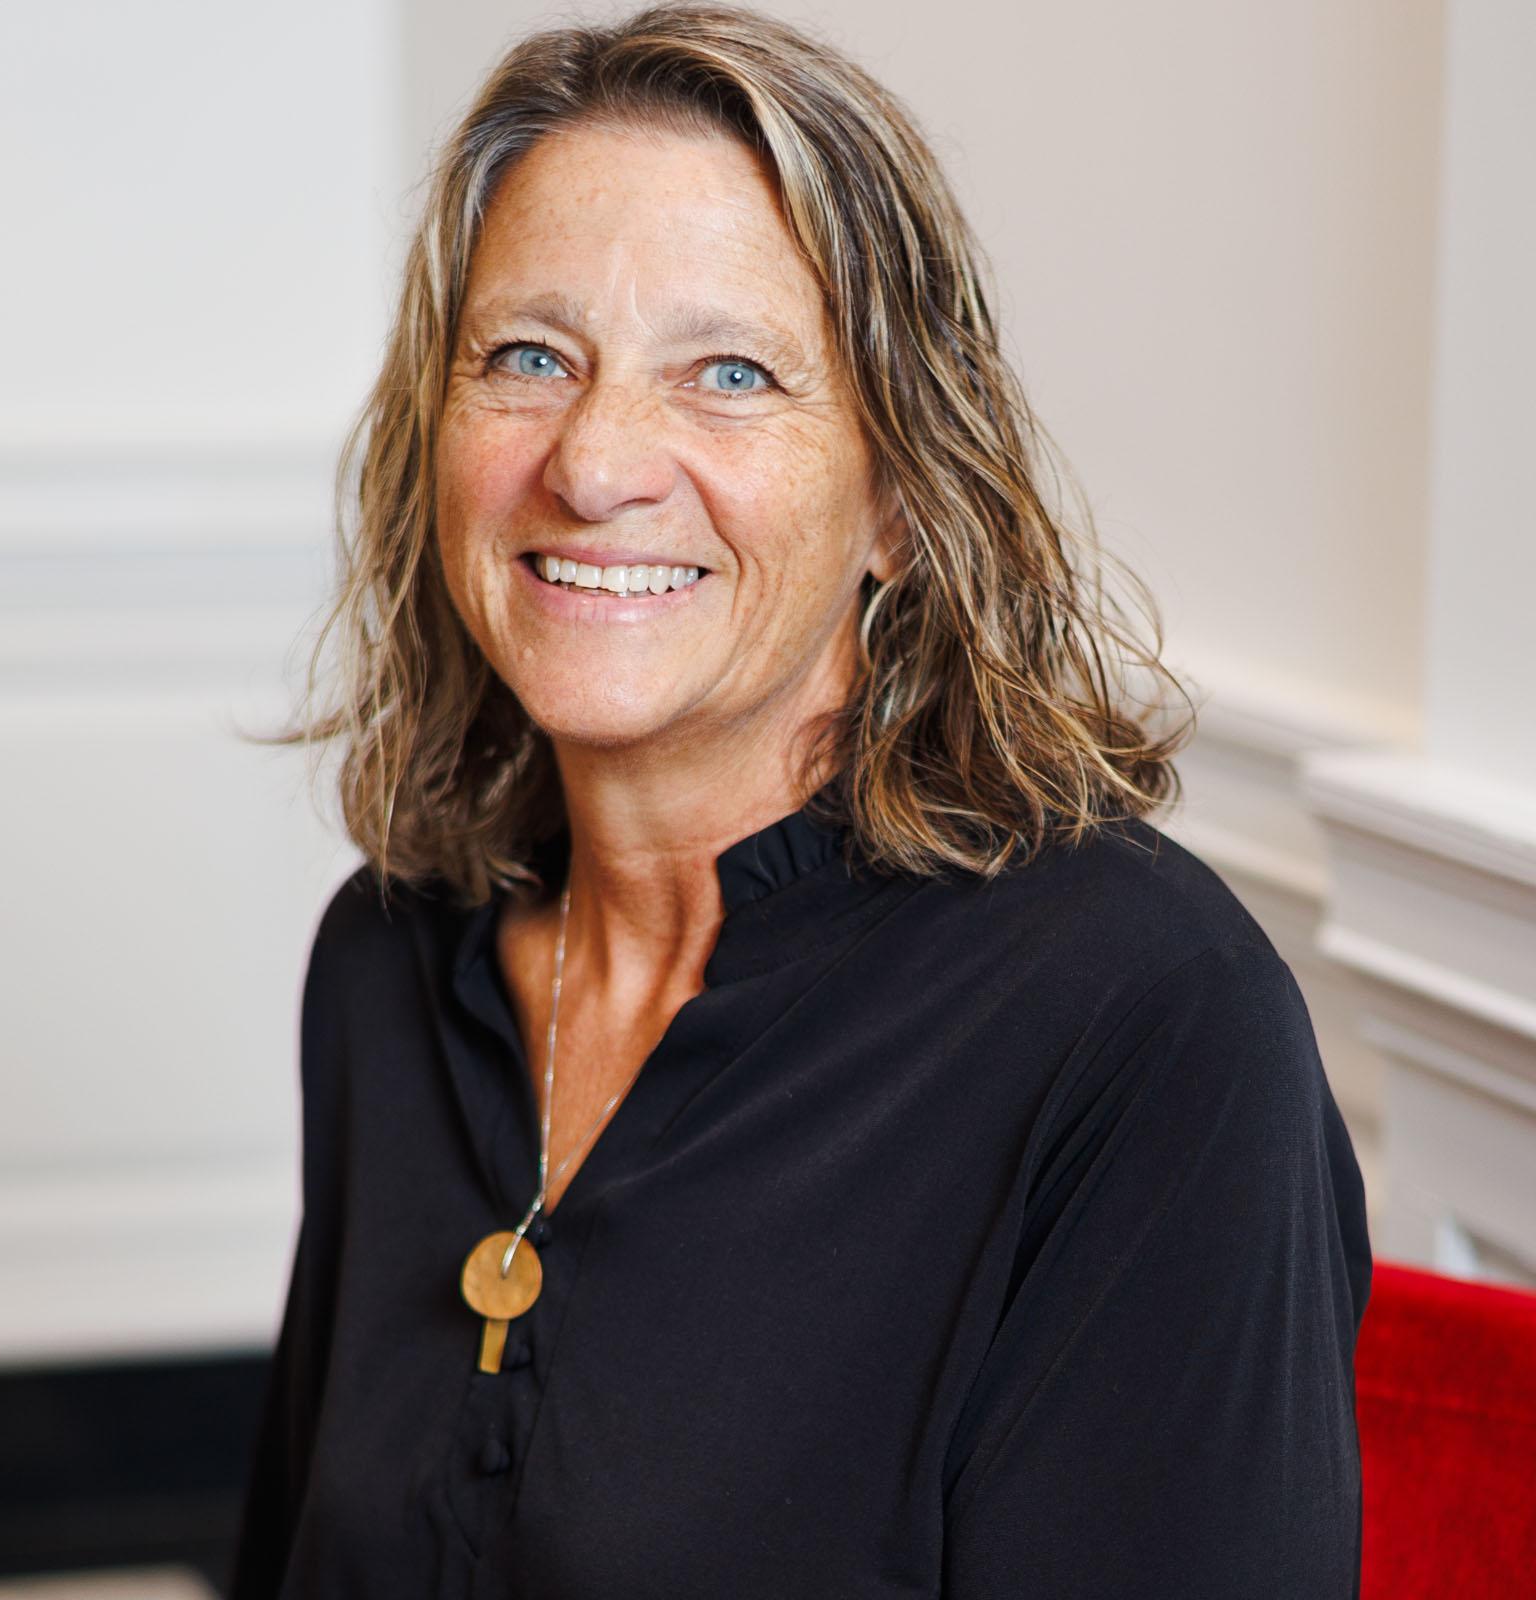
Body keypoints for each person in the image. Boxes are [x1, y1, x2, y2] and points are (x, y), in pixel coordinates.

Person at [230, 4, 1370, 1595]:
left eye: (732, 373)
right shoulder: (395, 954)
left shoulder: (1142, 1023)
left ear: (903, 497)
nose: (597, 458)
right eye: (530, 355)